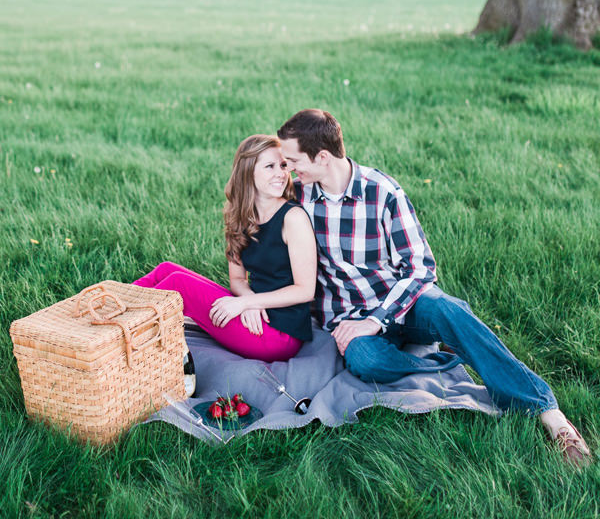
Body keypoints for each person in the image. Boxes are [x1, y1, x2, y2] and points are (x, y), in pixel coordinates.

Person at [277, 108, 591, 466]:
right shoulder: (299, 198)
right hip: (348, 317)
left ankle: (550, 415)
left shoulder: (382, 193)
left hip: (401, 305)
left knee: (448, 309)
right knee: (365, 360)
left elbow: (420, 268)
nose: (289, 169)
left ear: (322, 157)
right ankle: (448, 358)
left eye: (292, 161)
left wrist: (377, 319)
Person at [134, 134, 317, 363]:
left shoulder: (293, 218)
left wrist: (248, 303)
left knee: (178, 284)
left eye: (282, 165)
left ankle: (119, 329)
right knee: (165, 270)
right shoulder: (241, 214)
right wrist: (249, 300)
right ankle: (111, 302)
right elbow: (237, 279)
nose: (281, 173)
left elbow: (305, 290)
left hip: (278, 334)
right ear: (248, 172)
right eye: (270, 166)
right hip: (255, 312)